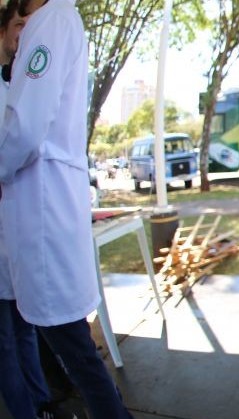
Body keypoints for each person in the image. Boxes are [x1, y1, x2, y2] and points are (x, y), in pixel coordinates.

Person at [0, 0, 132, 417]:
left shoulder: (53, 21)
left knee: (77, 355)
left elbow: (24, 127)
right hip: (38, 208)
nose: (20, 31)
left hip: (42, 211)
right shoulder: (51, 22)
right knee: (71, 352)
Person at [0, 2, 53, 418]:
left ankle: (42, 405)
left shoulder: (15, 83)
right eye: (19, 25)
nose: (24, 34)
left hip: (13, 234)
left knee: (25, 330)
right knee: (5, 339)